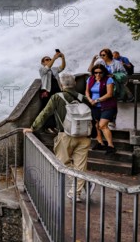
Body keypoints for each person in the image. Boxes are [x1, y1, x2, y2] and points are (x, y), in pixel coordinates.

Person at [24, 73, 94, 201]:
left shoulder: (57, 97)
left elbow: (45, 113)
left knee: (61, 163)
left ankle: (80, 186)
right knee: (80, 165)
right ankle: (77, 191)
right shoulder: (83, 98)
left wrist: (33, 128)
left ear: (61, 85)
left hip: (66, 135)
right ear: (74, 84)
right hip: (84, 135)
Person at [86, 64, 118, 154]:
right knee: (96, 125)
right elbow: (87, 92)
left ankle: (111, 146)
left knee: (102, 125)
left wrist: (96, 100)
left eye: (100, 72)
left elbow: (109, 94)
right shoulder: (90, 79)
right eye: (96, 72)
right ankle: (100, 143)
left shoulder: (109, 80)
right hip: (95, 106)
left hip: (108, 105)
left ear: (104, 72)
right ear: (93, 72)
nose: (98, 74)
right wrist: (89, 99)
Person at [39, 51, 66, 132]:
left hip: (57, 91)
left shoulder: (54, 69)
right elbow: (47, 68)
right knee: (48, 109)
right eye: (47, 60)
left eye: (49, 59)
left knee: (57, 109)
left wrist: (63, 58)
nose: (49, 60)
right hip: (47, 91)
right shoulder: (42, 69)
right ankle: (47, 127)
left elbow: (62, 67)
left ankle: (56, 126)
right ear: (42, 63)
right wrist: (54, 58)